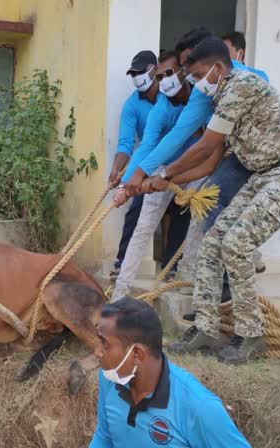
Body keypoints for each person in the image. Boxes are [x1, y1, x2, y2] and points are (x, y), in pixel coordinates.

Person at [147, 37, 280, 364]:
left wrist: (163, 171)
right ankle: (204, 327)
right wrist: (166, 181)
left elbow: (204, 146)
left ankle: (251, 336)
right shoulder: (223, 101)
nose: (197, 83)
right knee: (213, 239)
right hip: (262, 175)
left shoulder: (240, 86)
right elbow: (210, 162)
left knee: (236, 244)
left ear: (218, 68)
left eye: (200, 74)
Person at [119, 28, 268, 308]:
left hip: (260, 162)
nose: (189, 75)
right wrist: (136, 177)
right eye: (188, 70)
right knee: (204, 215)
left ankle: (219, 286)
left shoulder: (244, 81)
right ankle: (203, 297)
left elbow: (205, 146)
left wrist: (161, 175)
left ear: (212, 60)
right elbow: (180, 141)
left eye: (193, 69)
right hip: (215, 161)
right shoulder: (197, 95)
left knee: (222, 223)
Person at [71, 298, 273, 448]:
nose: (97, 352)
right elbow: (106, 437)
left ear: (137, 355)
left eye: (105, 344)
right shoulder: (111, 378)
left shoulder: (199, 407)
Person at [109, 50, 198, 302]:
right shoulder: (156, 108)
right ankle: (120, 292)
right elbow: (144, 145)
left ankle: (185, 278)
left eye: (168, 73)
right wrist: (128, 182)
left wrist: (137, 177)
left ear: (183, 71)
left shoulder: (200, 97)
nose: (164, 79)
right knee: (142, 226)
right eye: (161, 75)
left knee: (196, 224)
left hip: (195, 168)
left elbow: (182, 138)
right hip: (159, 169)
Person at [108, 50, 160, 281]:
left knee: (180, 213)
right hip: (147, 164)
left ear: (154, 70)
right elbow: (127, 143)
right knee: (136, 208)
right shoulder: (132, 105)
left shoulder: (170, 97)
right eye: (133, 74)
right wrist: (116, 169)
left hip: (176, 160)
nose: (137, 77)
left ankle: (174, 266)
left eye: (140, 72)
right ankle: (122, 263)